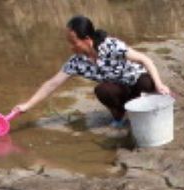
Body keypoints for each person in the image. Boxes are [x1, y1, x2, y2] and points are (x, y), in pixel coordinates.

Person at [13, 15, 172, 128]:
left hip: (137, 82)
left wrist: (159, 85)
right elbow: (51, 84)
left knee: (146, 81)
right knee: (103, 90)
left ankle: (150, 109)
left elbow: (146, 60)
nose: (71, 47)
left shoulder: (111, 46)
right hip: (119, 89)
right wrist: (26, 106)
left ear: (87, 40)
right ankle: (119, 117)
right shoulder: (77, 62)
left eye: (73, 42)